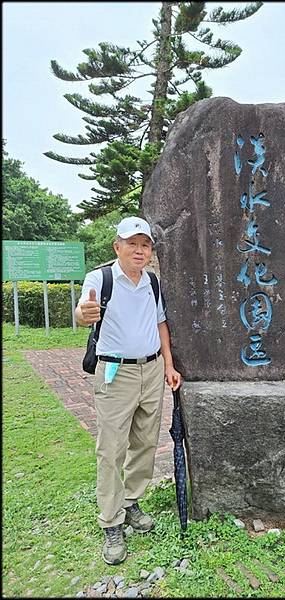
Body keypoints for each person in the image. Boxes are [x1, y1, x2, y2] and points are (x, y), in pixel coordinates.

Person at [75, 216, 182, 565]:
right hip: (114, 372)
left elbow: (160, 322)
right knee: (111, 449)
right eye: (132, 243)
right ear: (117, 247)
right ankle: (111, 522)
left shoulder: (152, 282)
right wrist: (84, 313)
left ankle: (132, 502)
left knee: (146, 442)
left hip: (151, 370)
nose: (139, 250)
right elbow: (83, 310)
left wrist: (168, 365)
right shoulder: (101, 278)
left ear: (151, 251)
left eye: (145, 244)